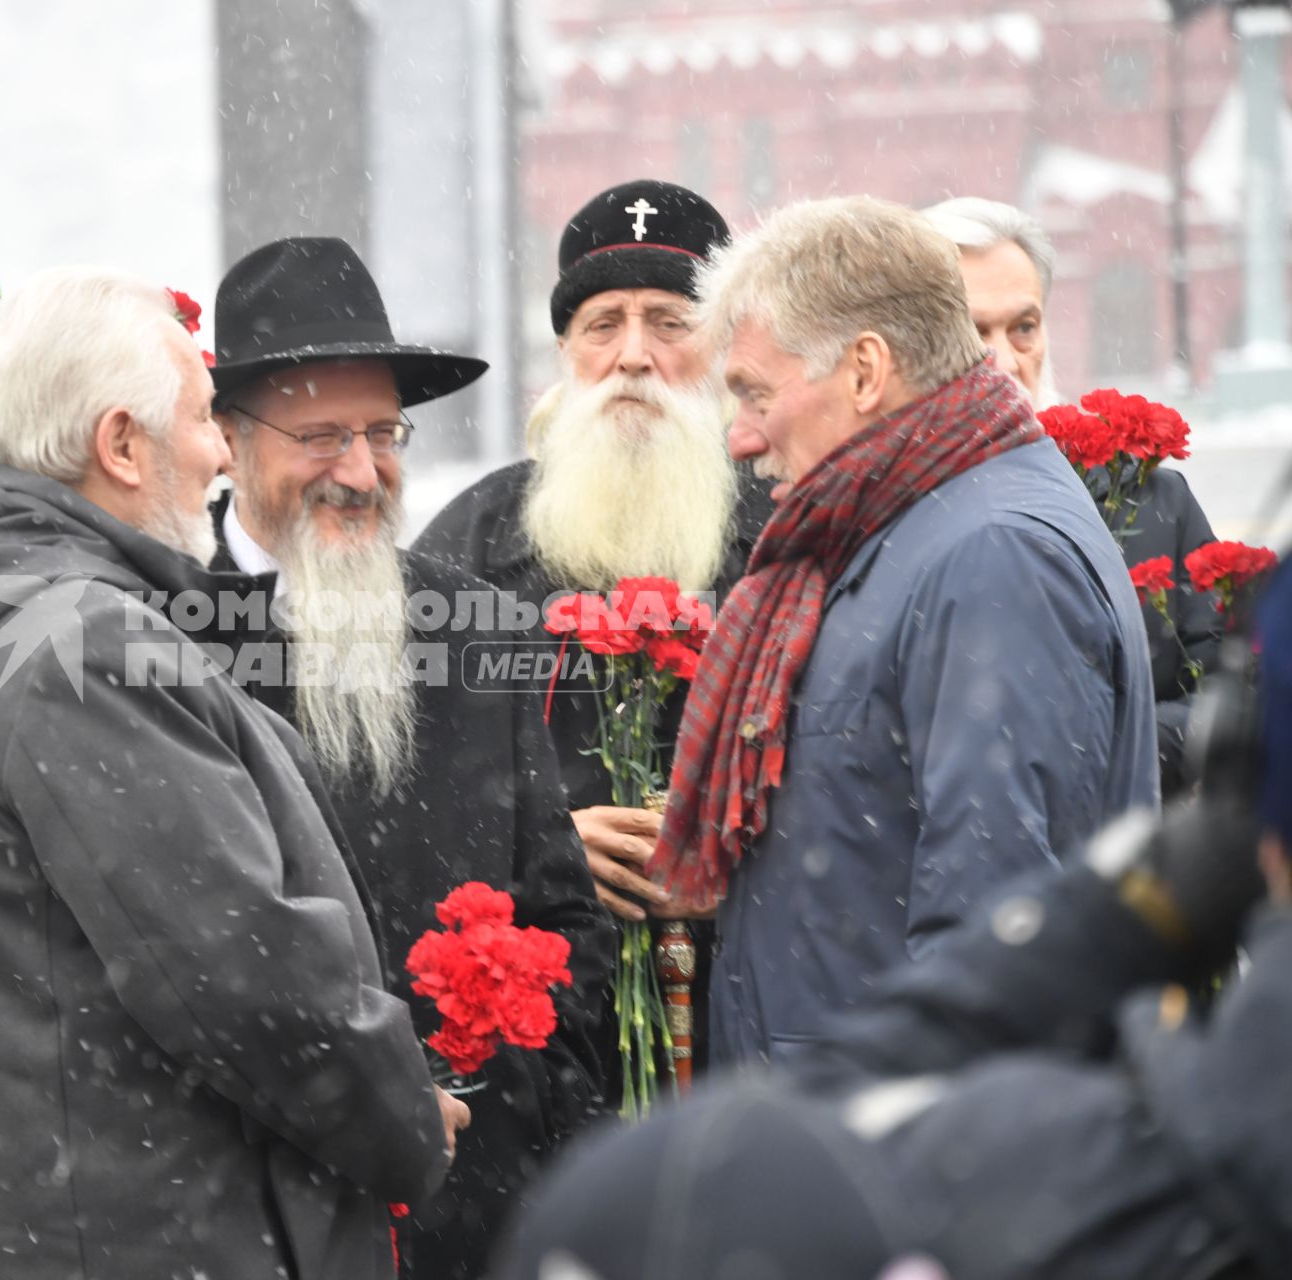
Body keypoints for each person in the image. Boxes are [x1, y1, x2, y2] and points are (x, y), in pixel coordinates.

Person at [0, 267, 466, 1280]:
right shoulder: (80, 643)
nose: (216, 452)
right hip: (152, 1232)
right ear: (120, 444)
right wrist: (401, 1114)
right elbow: (240, 974)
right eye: (207, 417)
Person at [498, 563, 1292, 1278]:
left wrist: (1137, 899)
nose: (742, 435)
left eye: (750, 391)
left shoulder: (1159, 1175)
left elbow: (921, 1056)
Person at [643, 196, 1159, 1068]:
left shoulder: (992, 557)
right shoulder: (915, 527)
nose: (739, 438)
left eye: (756, 393)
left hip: (902, 1162)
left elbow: (996, 949)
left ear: (865, 371)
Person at [206, 236, 614, 1280]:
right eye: (321, 435)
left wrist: (519, 1102)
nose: (359, 470)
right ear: (228, 438)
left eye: (382, 431)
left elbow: (563, 915)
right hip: (258, 1212)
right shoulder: (158, 632)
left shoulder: (475, 623)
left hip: (475, 1209)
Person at [417, 180, 770, 931]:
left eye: (671, 323)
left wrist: (745, 864)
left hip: (745, 992)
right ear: (566, 353)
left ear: (723, 351)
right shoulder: (473, 538)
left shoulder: (785, 533)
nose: (633, 357)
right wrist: (544, 844)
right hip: (544, 996)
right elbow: (408, 778)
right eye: (602, 324)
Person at [926, 196, 1220, 797]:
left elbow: (1236, 702)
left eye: (1023, 328)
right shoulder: (870, 516)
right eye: (972, 331)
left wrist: (1109, 745)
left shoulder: (1149, 502)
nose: (1005, 361)